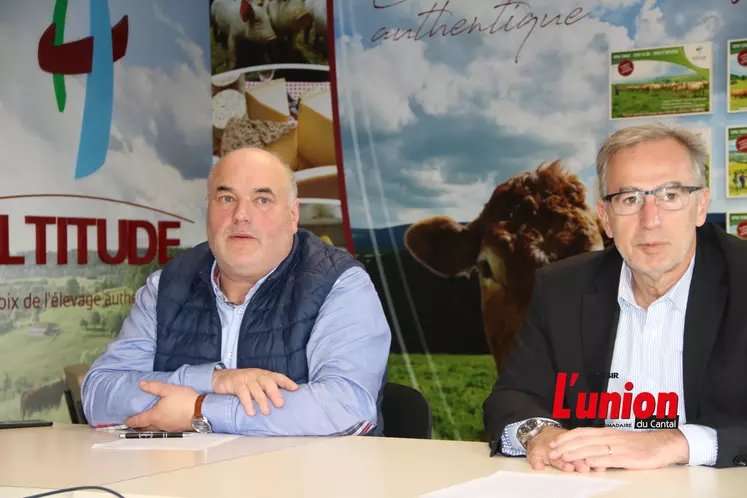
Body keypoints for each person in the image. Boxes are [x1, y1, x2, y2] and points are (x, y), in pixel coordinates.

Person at [483, 123, 747, 470]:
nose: (650, 220)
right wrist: (540, 433)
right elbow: (512, 396)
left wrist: (676, 444)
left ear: (700, 206)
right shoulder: (563, 288)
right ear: (605, 218)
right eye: (629, 198)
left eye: (670, 196)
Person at [81, 147, 391, 436]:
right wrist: (211, 380)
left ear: (293, 215)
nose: (241, 214)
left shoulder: (339, 284)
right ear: (209, 210)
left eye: (262, 200)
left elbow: (347, 408)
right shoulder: (166, 287)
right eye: (227, 198)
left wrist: (201, 410)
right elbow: (98, 394)